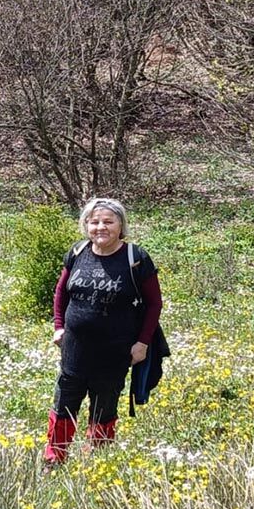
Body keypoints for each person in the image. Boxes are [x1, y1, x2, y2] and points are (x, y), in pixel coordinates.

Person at [44, 197, 162, 464]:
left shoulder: (136, 259)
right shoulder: (78, 252)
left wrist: (142, 343)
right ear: (86, 225)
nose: (101, 227)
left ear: (121, 226)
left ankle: (96, 462)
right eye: (94, 222)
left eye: (108, 221)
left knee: (104, 406)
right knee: (63, 404)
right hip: (75, 349)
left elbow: (154, 303)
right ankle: (54, 459)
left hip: (115, 351)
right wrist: (59, 327)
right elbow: (61, 292)